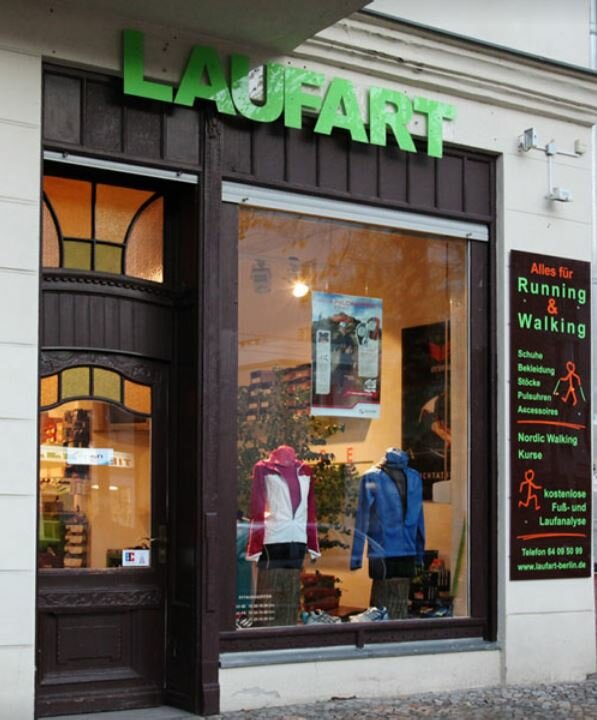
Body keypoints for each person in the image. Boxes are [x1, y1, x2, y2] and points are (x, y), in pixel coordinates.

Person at [246, 445, 320, 625]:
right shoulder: (263, 469)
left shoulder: (305, 470)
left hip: (298, 538)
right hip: (274, 537)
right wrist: (255, 545)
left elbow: (310, 509)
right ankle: (264, 630)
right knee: (270, 589)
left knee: (291, 590)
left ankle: (287, 628)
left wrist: (312, 543)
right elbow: (257, 507)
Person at [350, 448, 425, 618]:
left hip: (383, 550)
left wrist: (356, 558)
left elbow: (362, 518)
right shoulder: (413, 477)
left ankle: (386, 631)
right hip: (406, 549)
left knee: (383, 605)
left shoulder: (372, 476)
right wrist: (420, 553)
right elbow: (419, 518)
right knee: (395, 601)